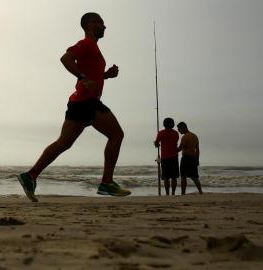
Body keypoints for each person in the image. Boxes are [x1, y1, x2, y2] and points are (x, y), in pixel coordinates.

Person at [17, 12, 131, 202]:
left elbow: (90, 73)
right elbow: (66, 59)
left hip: (78, 102)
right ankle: (106, 182)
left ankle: (30, 176)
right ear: (88, 25)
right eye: (100, 22)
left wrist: (105, 76)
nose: (104, 26)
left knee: (64, 143)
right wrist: (83, 78)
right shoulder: (86, 44)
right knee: (117, 135)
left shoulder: (93, 48)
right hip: (87, 101)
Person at [154, 118, 180, 196]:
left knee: (166, 177)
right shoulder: (176, 133)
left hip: (165, 157)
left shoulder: (161, 133)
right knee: (174, 177)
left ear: (164, 124)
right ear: (173, 124)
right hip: (174, 156)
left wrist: (157, 144)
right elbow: (175, 141)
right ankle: (173, 193)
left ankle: (167, 193)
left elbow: (156, 144)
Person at [177, 122, 203, 195]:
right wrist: (197, 159)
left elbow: (179, 149)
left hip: (186, 158)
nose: (179, 131)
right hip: (194, 157)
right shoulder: (194, 136)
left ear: (183, 127)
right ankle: (200, 191)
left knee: (183, 176)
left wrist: (171, 148)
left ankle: (183, 193)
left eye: (179, 129)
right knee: (194, 177)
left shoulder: (184, 137)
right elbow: (197, 149)